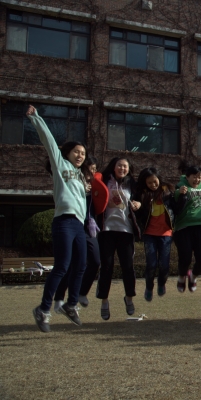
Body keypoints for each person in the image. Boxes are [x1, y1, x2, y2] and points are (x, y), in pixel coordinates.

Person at [28, 105, 89, 332]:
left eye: (83, 154)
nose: (80, 156)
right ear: (68, 153)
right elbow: (49, 141)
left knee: (81, 265)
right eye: (77, 152)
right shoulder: (60, 163)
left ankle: (71, 305)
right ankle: (43, 310)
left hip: (79, 225)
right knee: (62, 266)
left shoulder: (81, 176)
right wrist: (36, 118)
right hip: (63, 221)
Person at [53, 156, 103, 311]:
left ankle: (81, 293)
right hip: (72, 225)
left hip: (89, 228)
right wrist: (81, 188)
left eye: (95, 169)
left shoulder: (95, 185)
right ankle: (59, 298)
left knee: (95, 260)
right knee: (70, 264)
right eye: (90, 168)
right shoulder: (73, 180)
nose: (93, 172)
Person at [95, 157, 141, 320]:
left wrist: (138, 204)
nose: (122, 168)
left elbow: (140, 199)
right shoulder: (104, 181)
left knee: (127, 267)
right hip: (106, 230)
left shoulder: (132, 184)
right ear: (113, 167)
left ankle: (129, 298)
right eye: (119, 165)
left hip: (126, 231)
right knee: (106, 267)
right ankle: (104, 301)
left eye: (125, 166)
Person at [134, 167, 176, 301]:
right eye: (149, 183)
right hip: (149, 234)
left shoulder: (168, 192)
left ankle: (161, 283)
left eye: (155, 181)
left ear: (159, 179)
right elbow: (139, 216)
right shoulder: (142, 194)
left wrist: (183, 196)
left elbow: (177, 207)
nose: (153, 185)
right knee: (151, 264)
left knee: (164, 265)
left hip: (166, 233)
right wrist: (138, 206)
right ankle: (149, 287)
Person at [173, 162, 201, 293]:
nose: (197, 180)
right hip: (183, 227)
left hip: (200, 226)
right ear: (187, 177)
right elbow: (174, 203)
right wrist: (179, 193)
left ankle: (193, 276)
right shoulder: (180, 186)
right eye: (194, 177)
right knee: (185, 258)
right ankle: (181, 277)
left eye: (199, 177)